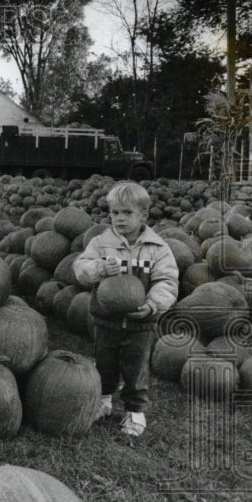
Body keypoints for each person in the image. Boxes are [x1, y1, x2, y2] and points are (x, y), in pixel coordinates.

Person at [73, 181, 179, 437]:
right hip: (105, 320)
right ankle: (104, 400)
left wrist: (152, 305)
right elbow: (80, 268)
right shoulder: (100, 243)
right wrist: (98, 268)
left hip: (141, 323)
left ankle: (135, 411)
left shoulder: (157, 248)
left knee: (136, 368)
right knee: (104, 364)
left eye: (127, 213)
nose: (120, 219)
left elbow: (167, 281)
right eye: (115, 213)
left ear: (143, 215)